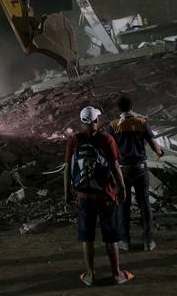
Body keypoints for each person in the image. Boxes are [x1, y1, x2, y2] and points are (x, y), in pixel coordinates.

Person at [64, 106, 134, 286]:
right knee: (111, 237)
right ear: (96, 121)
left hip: (83, 196)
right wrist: (122, 188)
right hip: (105, 195)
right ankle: (117, 274)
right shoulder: (106, 139)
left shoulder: (74, 140)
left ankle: (90, 275)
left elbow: (67, 169)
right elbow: (115, 166)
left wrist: (67, 194)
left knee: (87, 237)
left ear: (82, 121)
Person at [108, 96, 164, 252]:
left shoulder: (113, 126)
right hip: (139, 168)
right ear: (131, 106)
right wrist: (160, 152)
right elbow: (155, 146)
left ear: (118, 108)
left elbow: (108, 150)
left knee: (123, 204)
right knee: (144, 204)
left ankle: (125, 241)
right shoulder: (141, 122)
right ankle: (148, 241)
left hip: (122, 170)